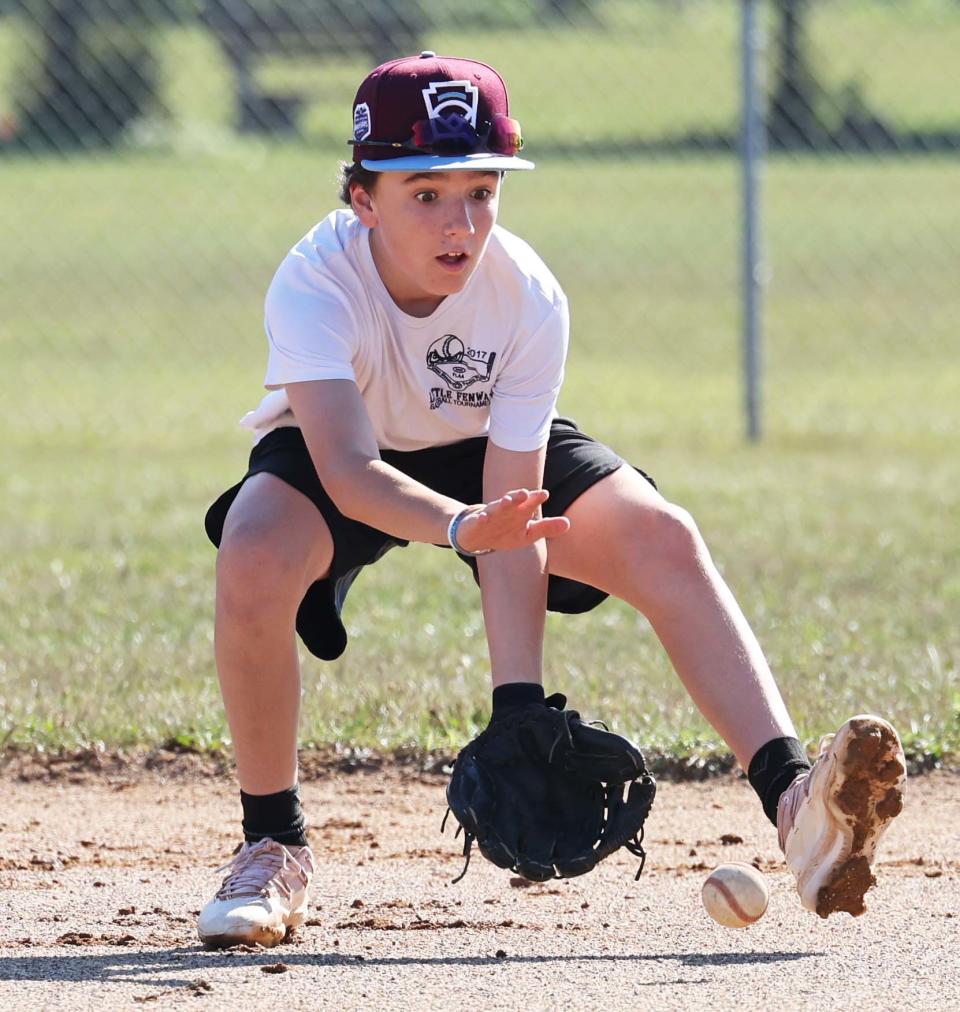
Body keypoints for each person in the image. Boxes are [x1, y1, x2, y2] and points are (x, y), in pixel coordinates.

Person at [198, 52, 906, 948]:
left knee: (662, 536)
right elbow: (345, 469)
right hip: (354, 444)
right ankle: (272, 845)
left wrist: (518, 703)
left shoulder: (526, 293)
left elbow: (515, 506)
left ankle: (796, 801)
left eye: (482, 191)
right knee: (255, 548)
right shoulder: (316, 279)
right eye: (424, 194)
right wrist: (458, 525)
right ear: (362, 198)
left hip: (485, 447)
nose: (460, 223)